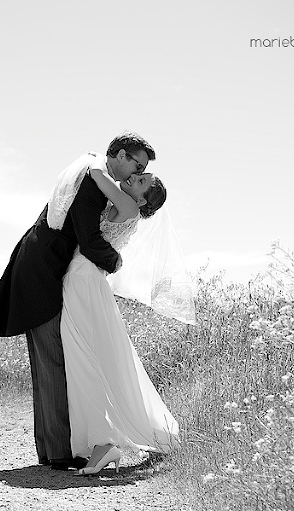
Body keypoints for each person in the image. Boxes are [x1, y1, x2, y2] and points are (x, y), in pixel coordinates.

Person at [0, 132, 155, 470]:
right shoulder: (93, 181)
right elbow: (89, 240)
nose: (136, 172)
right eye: (137, 163)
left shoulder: (93, 172)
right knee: (54, 361)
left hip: (43, 269)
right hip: (42, 273)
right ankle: (58, 452)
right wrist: (115, 263)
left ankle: (51, 450)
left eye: (143, 170)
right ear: (118, 155)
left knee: (49, 362)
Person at [60, 167, 188, 476]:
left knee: (83, 362)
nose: (133, 177)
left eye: (141, 180)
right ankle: (103, 444)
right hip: (84, 278)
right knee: (86, 361)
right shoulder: (124, 205)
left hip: (84, 278)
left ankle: (104, 444)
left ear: (144, 202)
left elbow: (95, 173)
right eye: (138, 175)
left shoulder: (129, 206)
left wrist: (91, 160)